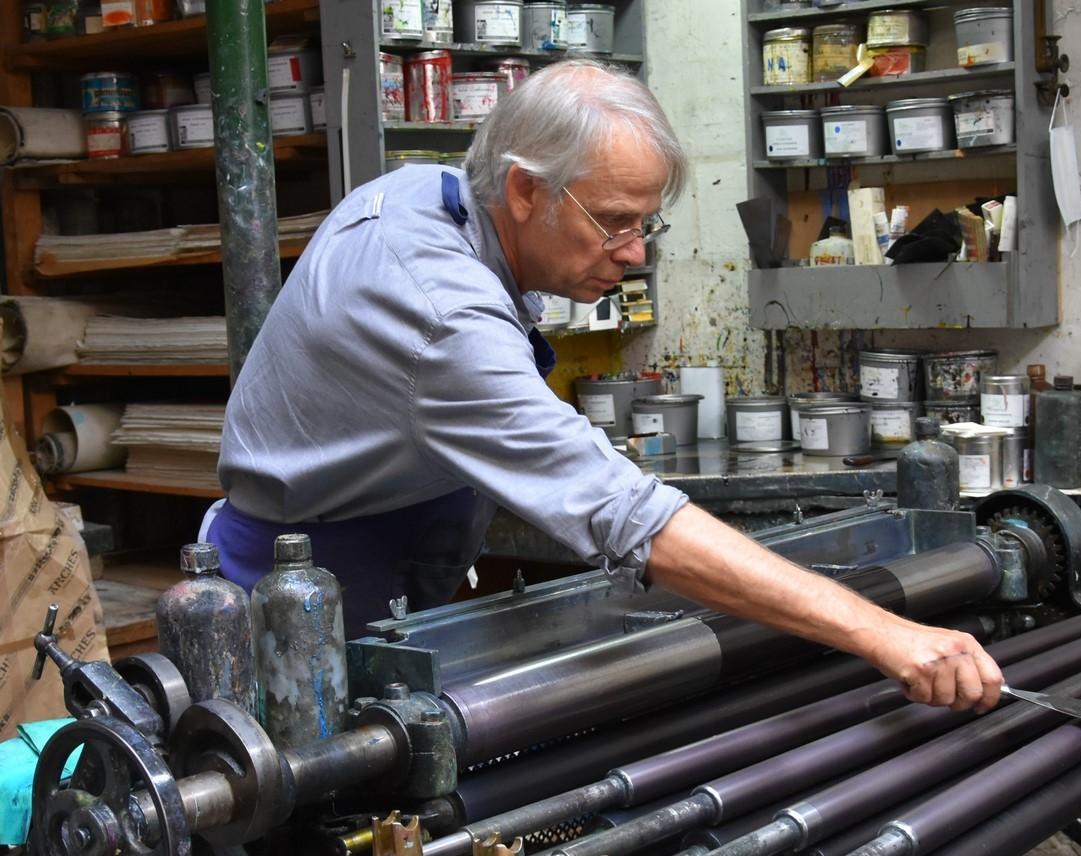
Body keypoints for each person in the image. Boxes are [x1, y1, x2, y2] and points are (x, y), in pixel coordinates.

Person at [211, 60, 1003, 713]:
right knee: (344, 847)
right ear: (524, 190)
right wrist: (882, 634)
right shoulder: (434, 307)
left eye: (644, 225)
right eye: (614, 222)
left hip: (392, 562)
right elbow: (630, 520)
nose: (633, 253)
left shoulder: (442, 198)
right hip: (304, 606)